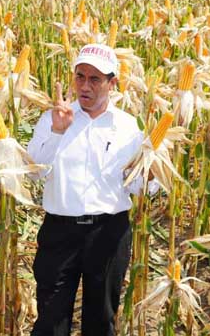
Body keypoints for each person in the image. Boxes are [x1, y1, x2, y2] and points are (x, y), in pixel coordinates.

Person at [27, 43, 158, 336]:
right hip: (59, 232)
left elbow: (143, 187)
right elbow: (34, 172)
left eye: (95, 79)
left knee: (101, 319)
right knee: (50, 319)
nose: (85, 86)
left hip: (108, 232)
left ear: (112, 83)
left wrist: (150, 174)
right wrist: (58, 132)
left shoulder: (129, 128)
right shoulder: (53, 118)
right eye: (80, 76)